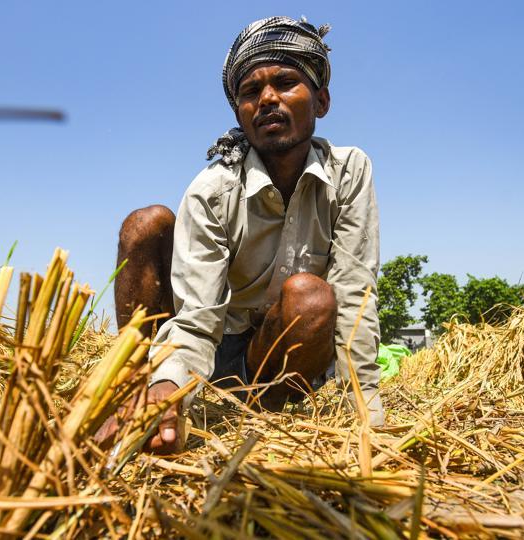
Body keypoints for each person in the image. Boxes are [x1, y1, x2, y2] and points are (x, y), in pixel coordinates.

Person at [104, 16, 383, 454]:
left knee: (311, 297)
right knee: (145, 223)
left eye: (286, 82)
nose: (268, 99)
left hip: (279, 350)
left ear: (322, 100)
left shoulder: (349, 172)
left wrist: (366, 414)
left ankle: (265, 414)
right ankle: (133, 390)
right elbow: (197, 318)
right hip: (210, 348)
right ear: (239, 113)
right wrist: (168, 388)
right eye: (251, 92)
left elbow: (355, 293)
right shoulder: (211, 191)